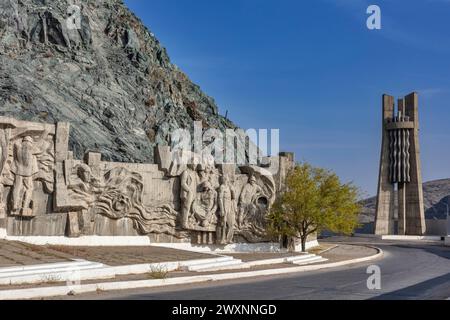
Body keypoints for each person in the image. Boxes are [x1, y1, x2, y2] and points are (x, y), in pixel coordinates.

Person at [218, 175, 236, 244]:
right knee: (223, 223)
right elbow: (220, 198)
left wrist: (232, 190)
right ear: (223, 180)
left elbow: (233, 198)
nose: (227, 180)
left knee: (231, 223)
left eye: (227, 179)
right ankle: (222, 239)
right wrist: (222, 209)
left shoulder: (229, 187)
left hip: (230, 206)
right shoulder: (222, 187)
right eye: (226, 179)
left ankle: (229, 239)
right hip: (224, 205)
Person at [180, 164, 197, 229]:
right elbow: (183, 183)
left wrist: (194, 193)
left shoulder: (194, 173)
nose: (195, 165)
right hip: (187, 193)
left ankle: (189, 222)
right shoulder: (185, 172)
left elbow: (195, 184)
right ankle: (184, 223)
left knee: (191, 208)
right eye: (194, 164)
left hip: (193, 193)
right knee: (186, 208)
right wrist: (189, 190)